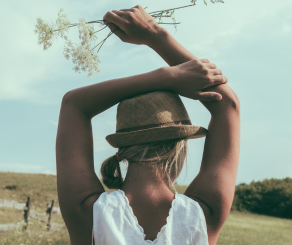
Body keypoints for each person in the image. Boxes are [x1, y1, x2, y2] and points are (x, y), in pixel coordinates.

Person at [56, 5, 240, 245]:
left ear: (120, 151)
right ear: (179, 148)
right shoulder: (202, 217)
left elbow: (73, 105)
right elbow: (228, 105)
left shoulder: (87, 214)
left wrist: (167, 76)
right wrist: (154, 34)